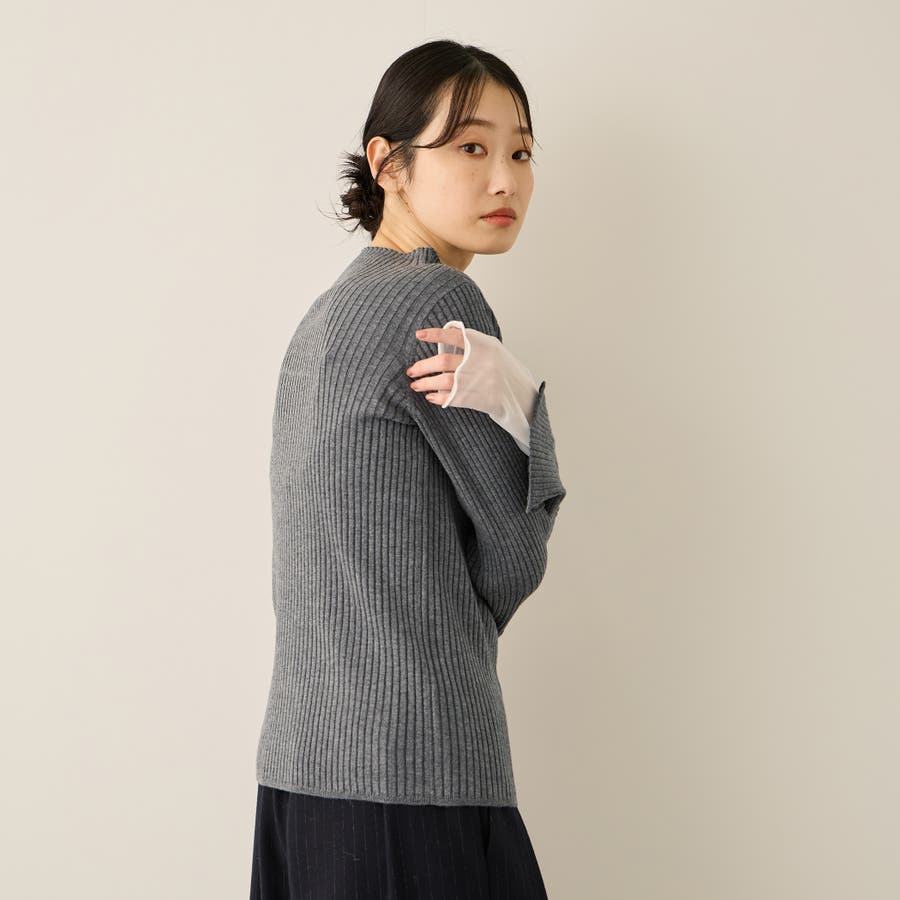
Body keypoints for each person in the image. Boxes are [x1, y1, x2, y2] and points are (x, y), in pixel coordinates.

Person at [249, 38, 567, 899]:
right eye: (470, 147)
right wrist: (524, 401)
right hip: (415, 776)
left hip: (302, 772)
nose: (503, 180)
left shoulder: (325, 317)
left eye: (520, 153)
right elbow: (513, 563)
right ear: (388, 164)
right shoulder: (437, 299)